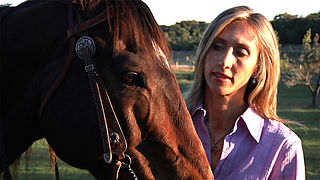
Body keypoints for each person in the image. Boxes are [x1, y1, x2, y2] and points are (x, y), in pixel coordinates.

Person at [185, 6, 305, 179]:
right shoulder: (169, 124)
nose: (224, 61)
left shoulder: (282, 146)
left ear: (258, 67)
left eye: (240, 52)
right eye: (217, 46)